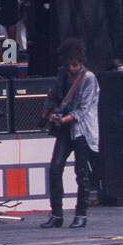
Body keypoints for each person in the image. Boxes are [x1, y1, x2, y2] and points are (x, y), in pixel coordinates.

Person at [40, 37, 100, 229]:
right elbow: (55, 96)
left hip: (81, 130)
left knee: (81, 173)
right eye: (69, 65)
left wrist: (62, 119)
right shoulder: (61, 75)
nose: (72, 69)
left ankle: (81, 214)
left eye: (75, 65)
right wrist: (49, 114)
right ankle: (56, 214)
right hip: (65, 130)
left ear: (81, 62)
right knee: (55, 168)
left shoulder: (89, 78)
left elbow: (83, 110)